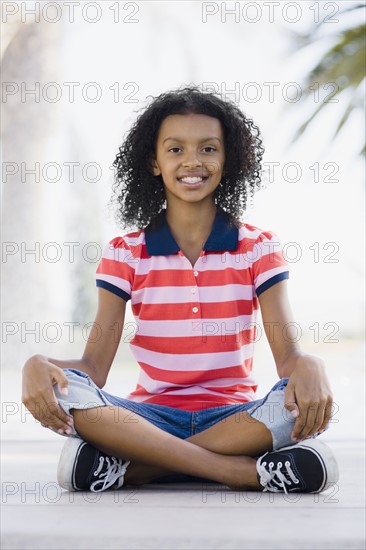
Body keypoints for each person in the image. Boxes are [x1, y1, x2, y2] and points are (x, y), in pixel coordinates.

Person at [22, 86, 339, 494]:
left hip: (236, 417)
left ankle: (135, 469)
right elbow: (94, 369)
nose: (192, 161)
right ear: (154, 162)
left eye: (208, 149)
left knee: (296, 403)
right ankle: (240, 473)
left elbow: (288, 361)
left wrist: (311, 365)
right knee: (68, 390)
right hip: (148, 416)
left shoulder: (257, 248)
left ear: (229, 160)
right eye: (175, 150)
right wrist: (37, 366)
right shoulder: (124, 254)